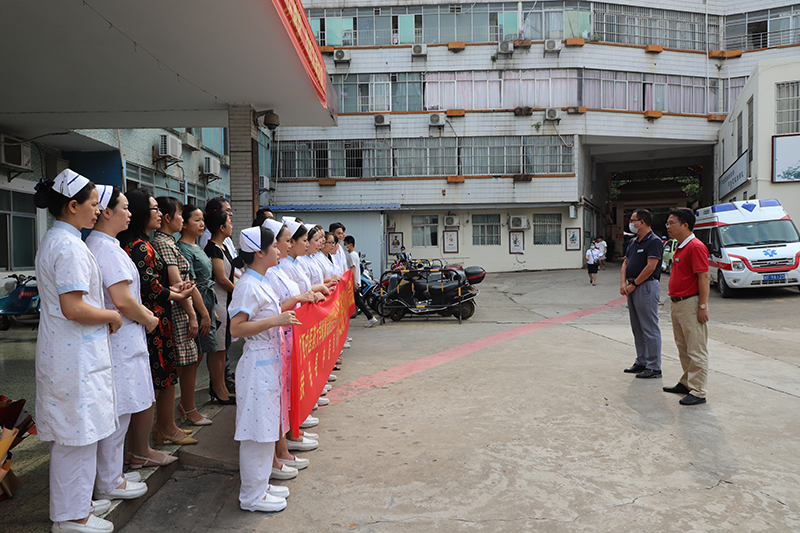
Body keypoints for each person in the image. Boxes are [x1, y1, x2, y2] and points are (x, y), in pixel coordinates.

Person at [33, 170, 132, 533]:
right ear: (72, 206)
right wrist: (111, 313)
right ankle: (70, 517)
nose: (97, 210)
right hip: (73, 356)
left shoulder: (63, 241)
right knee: (76, 436)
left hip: (73, 354)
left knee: (80, 434)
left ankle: (78, 505)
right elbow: (73, 307)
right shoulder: (70, 247)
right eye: (93, 205)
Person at [86, 186, 174, 499]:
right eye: (123, 207)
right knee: (119, 411)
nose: (129, 213)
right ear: (106, 213)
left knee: (123, 411)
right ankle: (110, 482)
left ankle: (113, 475)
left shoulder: (109, 245)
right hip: (121, 338)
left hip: (126, 338)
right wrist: (150, 319)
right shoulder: (105, 249)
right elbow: (122, 300)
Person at [228, 226, 300, 513]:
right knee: (256, 431)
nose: (279, 250)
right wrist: (275, 320)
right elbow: (236, 327)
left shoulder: (260, 280)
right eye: (273, 246)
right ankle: (251, 496)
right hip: (257, 364)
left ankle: (261, 485)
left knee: (266, 428)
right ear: (259, 252)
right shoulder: (247, 285)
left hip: (267, 362)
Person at [118, 188, 197, 447]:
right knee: (157, 380)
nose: (160, 215)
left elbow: (152, 285)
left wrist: (173, 291)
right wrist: (175, 294)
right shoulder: (140, 246)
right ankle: (152, 437)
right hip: (153, 320)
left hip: (157, 317)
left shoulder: (145, 243)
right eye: (154, 209)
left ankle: (166, 427)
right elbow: (150, 289)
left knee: (164, 377)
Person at [153, 196, 212, 427]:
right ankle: (165, 423)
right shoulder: (165, 245)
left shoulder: (168, 243)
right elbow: (180, 284)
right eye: (180, 215)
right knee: (175, 368)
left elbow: (189, 283)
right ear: (170, 219)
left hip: (184, 307)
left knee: (186, 363)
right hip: (178, 311)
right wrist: (192, 315)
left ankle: (174, 418)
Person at [177, 204, 221, 419]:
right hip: (196, 304)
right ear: (183, 223)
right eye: (196, 220)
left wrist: (211, 311)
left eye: (202, 219)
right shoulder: (183, 249)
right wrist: (203, 313)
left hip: (206, 303)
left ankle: (186, 405)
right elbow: (191, 284)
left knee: (200, 356)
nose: (202, 223)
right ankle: (188, 407)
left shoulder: (196, 247)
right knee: (193, 361)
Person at [663, 207, 710, 406]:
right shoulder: (680, 246)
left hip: (690, 303)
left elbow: (704, 277)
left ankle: (698, 391)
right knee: (683, 346)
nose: (668, 227)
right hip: (677, 303)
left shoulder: (695, 247)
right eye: (667, 223)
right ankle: (687, 382)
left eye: (671, 223)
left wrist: (703, 306)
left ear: (685, 225)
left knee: (696, 348)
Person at [620, 209, 664, 379]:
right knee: (637, 327)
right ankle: (642, 361)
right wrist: (623, 283)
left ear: (642, 222)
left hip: (645, 286)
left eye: (633, 220)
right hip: (632, 286)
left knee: (649, 327)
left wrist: (634, 284)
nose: (630, 224)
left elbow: (651, 267)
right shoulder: (633, 242)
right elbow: (625, 263)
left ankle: (654, 367)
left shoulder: (654, 241)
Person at [204, 209, 236, 404]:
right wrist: (240, 293)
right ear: (221, 227)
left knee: (223, 349)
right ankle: (217, 388)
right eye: (229, 222)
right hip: (218, 303)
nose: (232, 225)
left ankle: (222, 386)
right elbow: (222, 279)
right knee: (217, 350)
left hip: (227, 302)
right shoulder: (213, 249)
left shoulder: (222, 248)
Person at [344, 235, 379, 327]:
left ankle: (371, 318)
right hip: (356, 281)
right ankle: (370, 318)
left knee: (358, 302)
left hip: (353, 282)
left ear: (350, 245)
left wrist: (354, 282)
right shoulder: (355, 254)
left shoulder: (351, 255)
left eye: (345, 244)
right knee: (357, 302)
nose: (344, 246)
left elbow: (353, 269)